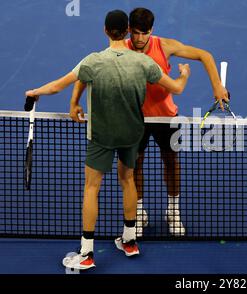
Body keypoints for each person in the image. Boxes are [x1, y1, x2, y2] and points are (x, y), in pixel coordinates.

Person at [25, 10, 191, 270]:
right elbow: (178, 88)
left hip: (101, 136)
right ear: (127, 32)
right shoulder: (143, 63)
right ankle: (130, 240)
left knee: (92, 188)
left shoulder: (93, 61)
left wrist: (35, 93)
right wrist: (184, 73)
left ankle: (87, 253)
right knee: (127, 181)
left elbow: (57, 85)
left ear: (104, 30)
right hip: (131, 134)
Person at [72, 7, 229, 237]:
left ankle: (173, 211)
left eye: (144, 33)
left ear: (151, 31)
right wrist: (76, 101)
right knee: (135, 165)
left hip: (166, 117)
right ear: (128, 31)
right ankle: (139, 211)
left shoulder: (164, 46)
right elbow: (89, 72)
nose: (139, 38)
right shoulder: (119, 50)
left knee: (171, 162)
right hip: (135, 119)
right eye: (135, 33)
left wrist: (217, 86)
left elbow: (204, 55)